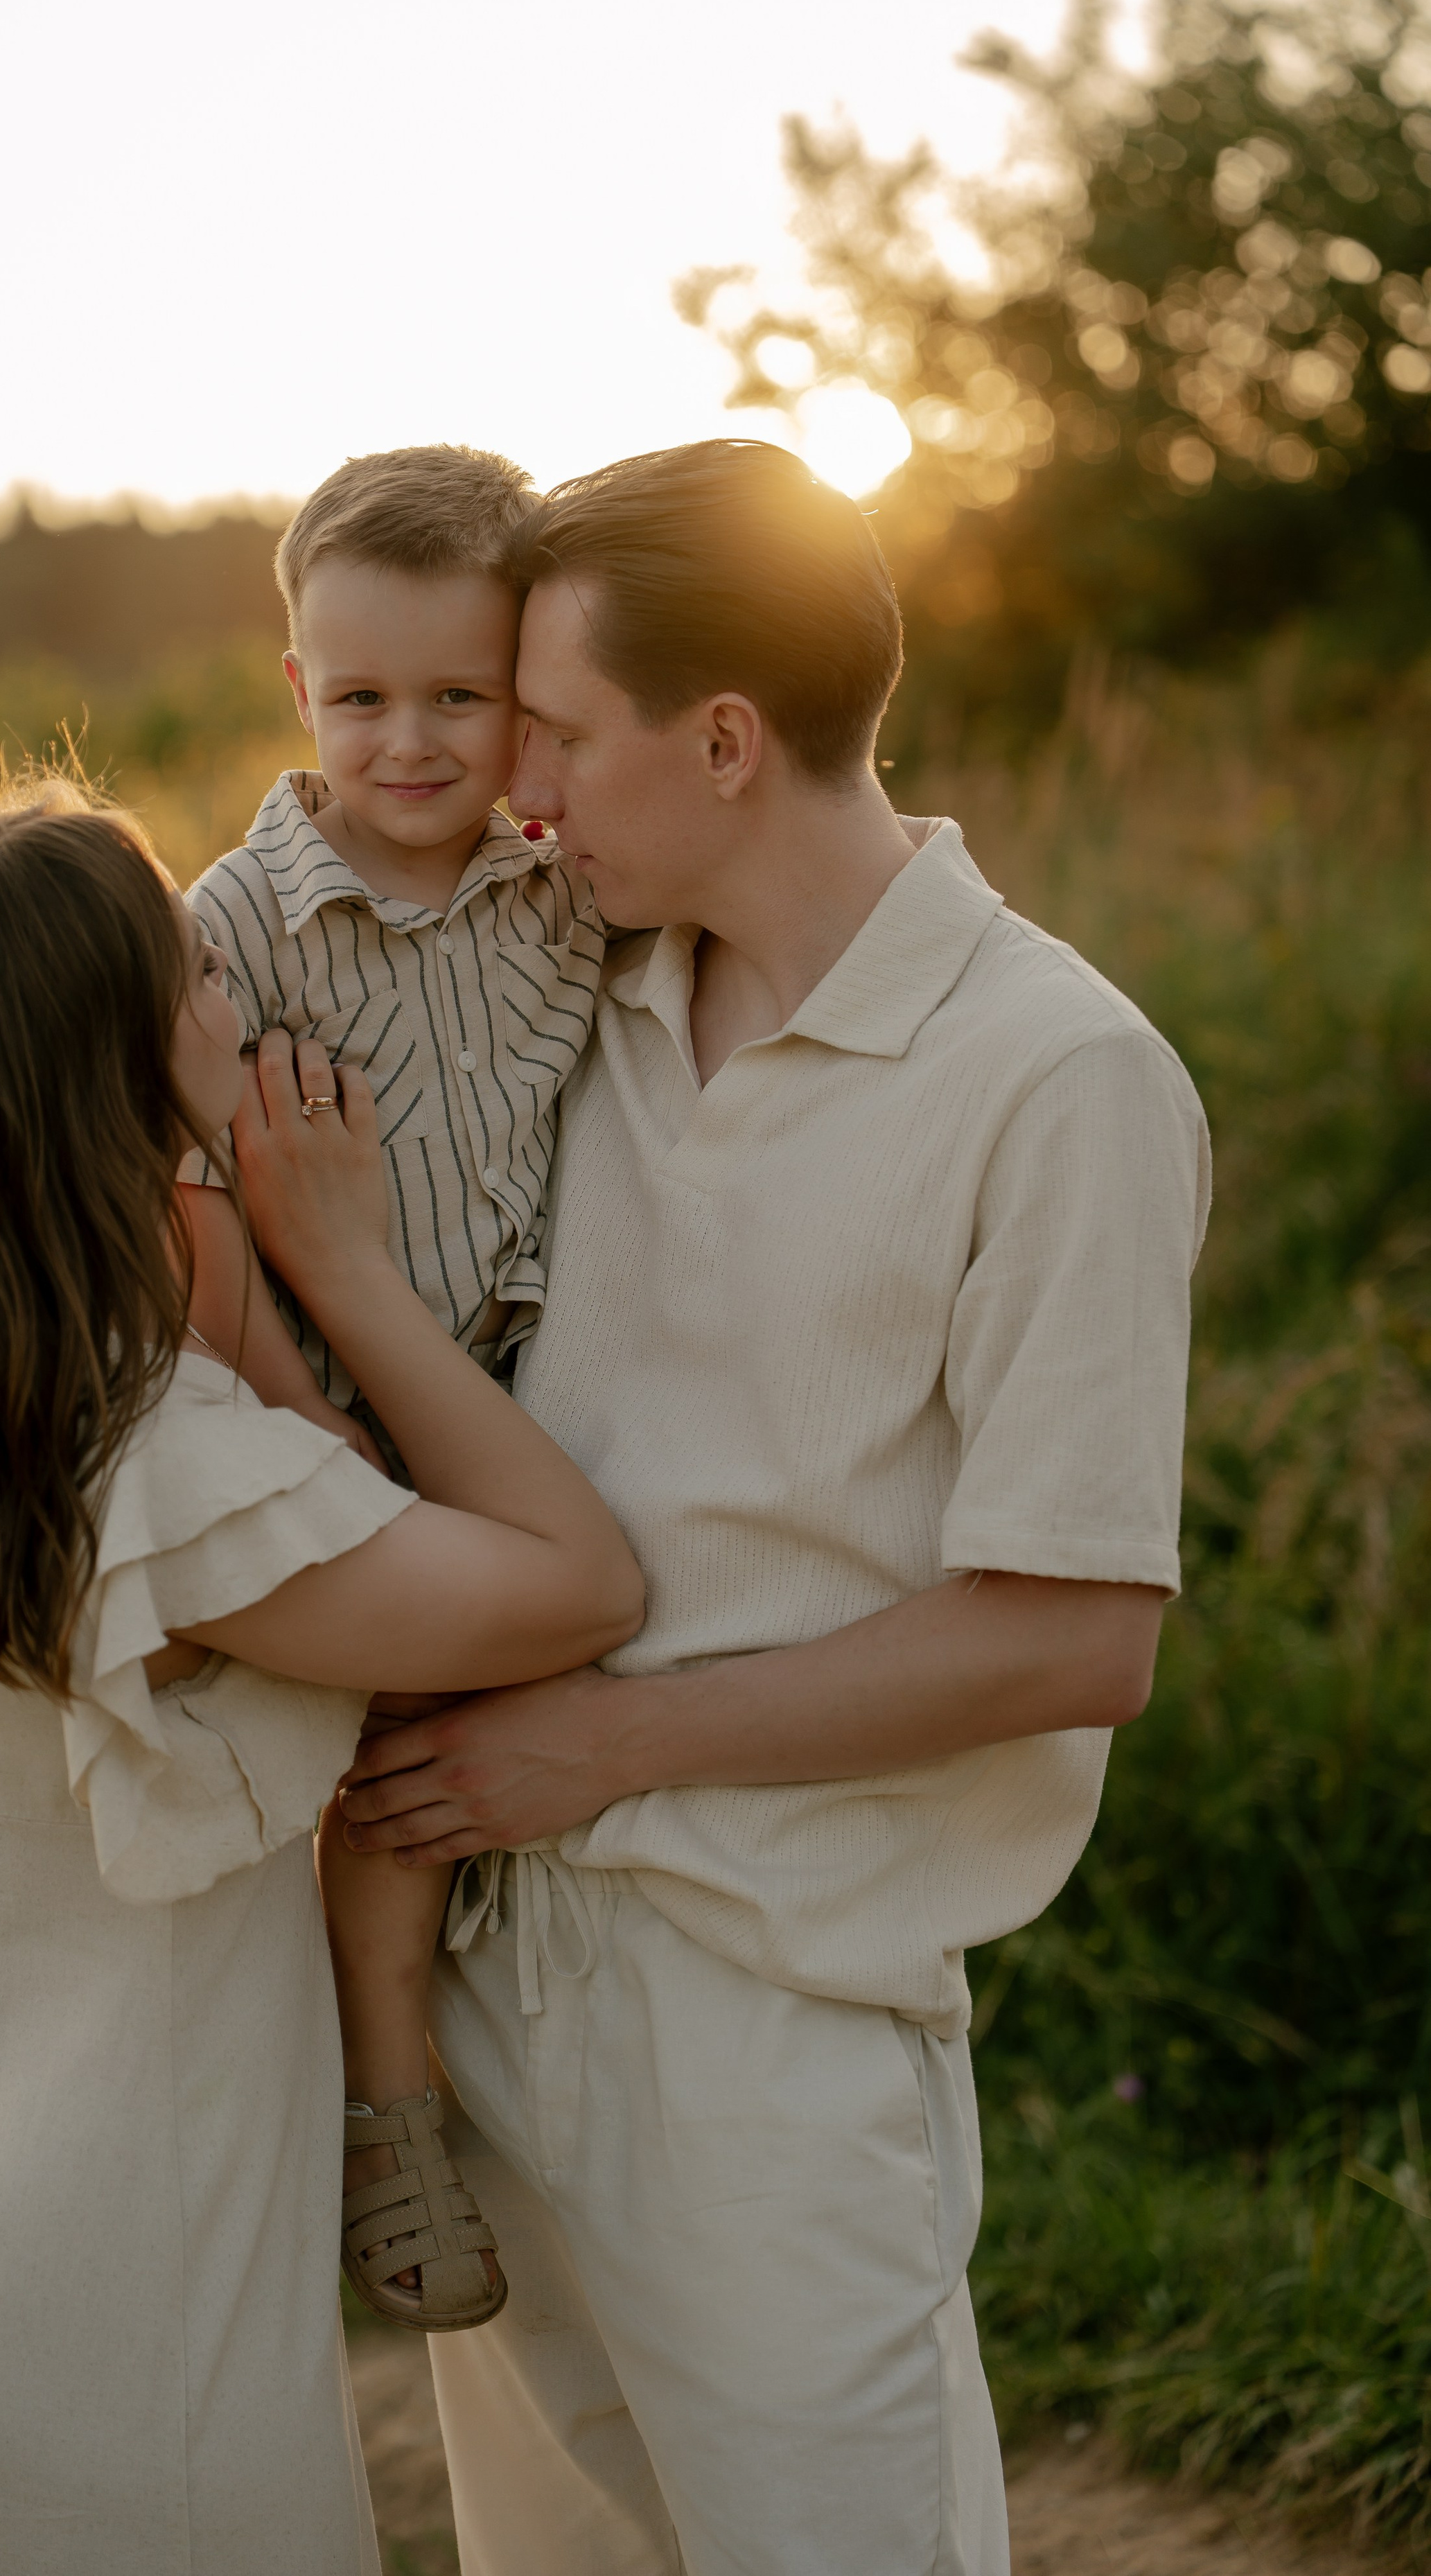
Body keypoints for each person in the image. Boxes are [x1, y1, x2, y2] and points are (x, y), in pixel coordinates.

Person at [261, 441, 1213, 2576]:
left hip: (770, 2026)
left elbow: (1078, 1637)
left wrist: (604, 1741)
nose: (525, 792)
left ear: (720, 737)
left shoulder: (1060, 1079)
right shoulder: (560, 997)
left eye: (566, 736)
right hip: (489, 1975)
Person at [0, 776, 640, 2576]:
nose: (236, 993)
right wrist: (347, 1262)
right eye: (192, 973)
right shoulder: (153, 1467)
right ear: (113, 1060)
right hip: (108, 2295)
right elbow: (579, 1583)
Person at [177, 444, 605, 2328]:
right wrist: (294, 1412)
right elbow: (179, 1196)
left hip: (521, 1392)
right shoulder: (232, 927)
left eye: (462, 697)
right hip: (327, 1398)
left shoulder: (566, 893)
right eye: (363, 699)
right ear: (298, 690)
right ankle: (389, 2111)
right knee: (389, 1760)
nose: (412, 743)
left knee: (489, 1724)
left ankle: (495, 2063)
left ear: (531, 699)